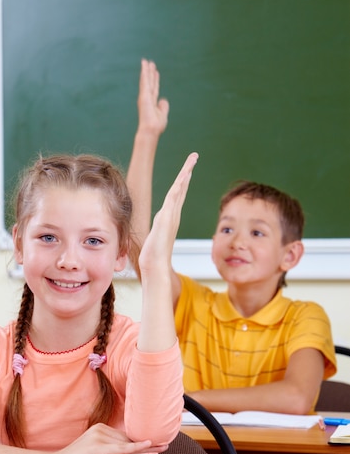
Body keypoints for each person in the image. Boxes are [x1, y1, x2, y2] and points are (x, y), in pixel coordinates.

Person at [0, 150, 198, 454]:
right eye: (48, 238)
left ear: (120, 253)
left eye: (93, 241)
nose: (69, 260)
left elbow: (154, 433)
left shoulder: (134, 347)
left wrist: (156, 270)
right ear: (18, 244)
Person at [127, 59, 336, 415]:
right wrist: (147, 134)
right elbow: (137, 247)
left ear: (291, 255)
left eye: (257, 232)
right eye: (226, 229)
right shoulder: (192, 303)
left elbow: (296, 398)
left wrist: (186, 402)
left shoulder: (305, 317)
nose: (237, 242)